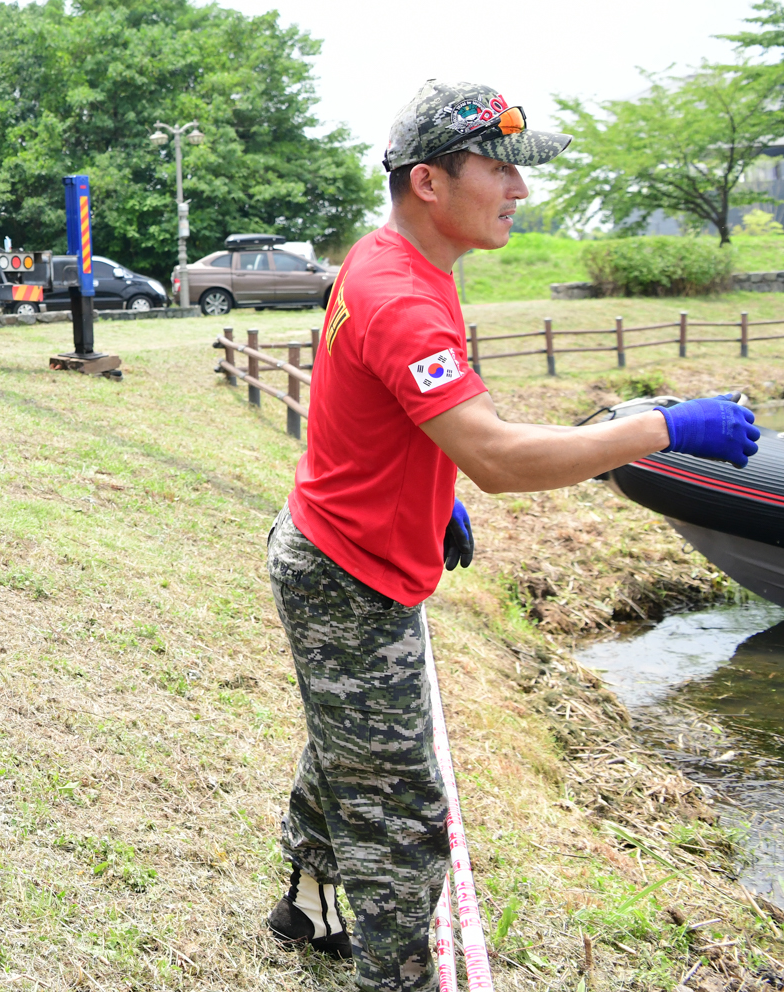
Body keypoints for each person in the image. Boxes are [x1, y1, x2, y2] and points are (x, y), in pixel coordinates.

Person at [265, 80, 762, 989]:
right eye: (498, 168)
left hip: (355, 544)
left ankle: (304, 897)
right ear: (428, 181)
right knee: (401, 809)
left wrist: (428, 490)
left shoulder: (396, 264)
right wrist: (665, 428)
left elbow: (386, 410)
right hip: (346, 571)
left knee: (351, 742)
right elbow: (496, 454)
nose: (518, 191)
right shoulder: (402, 295)